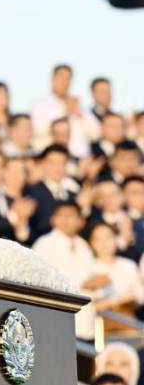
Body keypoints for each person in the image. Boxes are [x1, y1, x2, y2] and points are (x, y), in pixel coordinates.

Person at [32, 201, 101, 341]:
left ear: (80, 221)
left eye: (70, 215)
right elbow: (39, 281)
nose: (66, 220)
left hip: (85, 321)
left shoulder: (84, 246)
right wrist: (82, 284)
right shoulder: (44, 244)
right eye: (61, 215)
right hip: (56, 319)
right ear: (53, 219)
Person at [25, 144, 81, 242]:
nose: (58, 167)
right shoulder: (31, 191)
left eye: (62, 163)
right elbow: (36, 225)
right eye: (53, 163)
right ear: (43, 164)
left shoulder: (73, 195)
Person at [86, 222, 144, 317]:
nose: (104, 243)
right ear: (91, 243)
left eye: (108, 237)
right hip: (99, 321)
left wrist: (130, 298)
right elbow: (87, 304)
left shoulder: (128, 265)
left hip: (128, 318)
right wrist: (113, 302)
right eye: (98, 239)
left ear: (115, 239)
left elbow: (141, 294)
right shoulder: (88, 268)